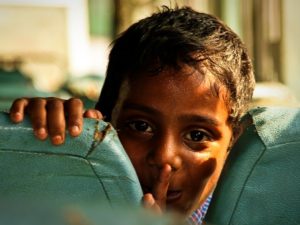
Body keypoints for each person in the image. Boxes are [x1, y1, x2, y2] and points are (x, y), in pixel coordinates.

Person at [9, 6, 255, 225]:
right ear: (104, 119)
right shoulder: (76, 206)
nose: (164, 157)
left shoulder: (262, 211)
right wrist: (35, 149)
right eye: (140, 126)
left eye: (197, 135)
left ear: (234, 142)